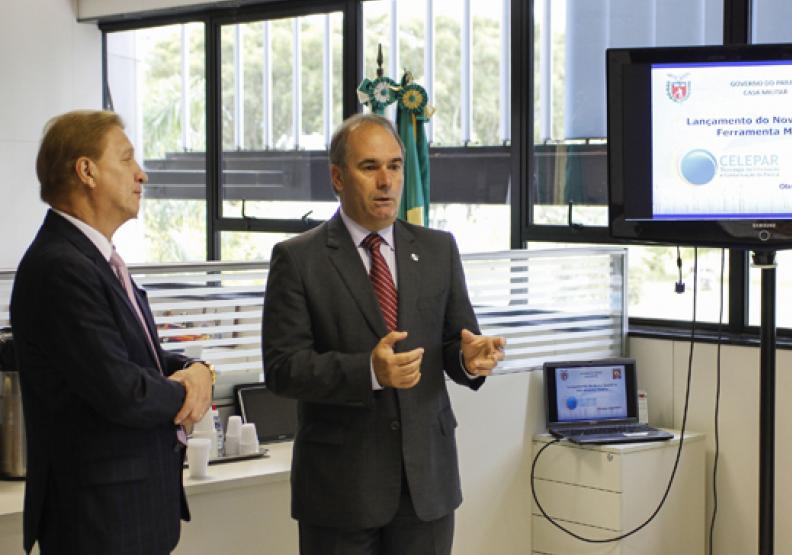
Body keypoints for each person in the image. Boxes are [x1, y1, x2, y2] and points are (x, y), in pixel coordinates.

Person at [262, 113, 506, 555]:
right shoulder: (298, 259)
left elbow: (456, 342)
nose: (386, 181)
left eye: (394, 166)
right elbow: (283, 369)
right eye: (370, 167)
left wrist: (469, 359)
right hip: (340, 489)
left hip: (426, 484)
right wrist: (368, 371)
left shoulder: (438, 249)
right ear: (337, 177)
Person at [10, 110, 215, 555]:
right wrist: (186, 393)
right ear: (86, 171)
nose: (141, 174)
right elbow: (121, 389)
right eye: (126, 159)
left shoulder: (94, 260)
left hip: (129, 511)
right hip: (97, 519)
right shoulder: (60, 268)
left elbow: (143, 358)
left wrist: (197, 370)